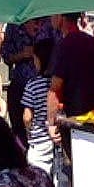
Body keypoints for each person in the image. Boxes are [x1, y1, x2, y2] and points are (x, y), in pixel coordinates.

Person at [48, 12, 94, 187]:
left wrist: (51, 123)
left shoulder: (64, 46)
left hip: (73, 122)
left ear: (60, 17)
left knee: (74, 174)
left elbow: (55, 88)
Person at [22, 38, 55, 177]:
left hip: (38, 141)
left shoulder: (32, 85)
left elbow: (27, 116)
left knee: (38, 182)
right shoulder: (56, 83)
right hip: (55, 141)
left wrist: (28, 130)